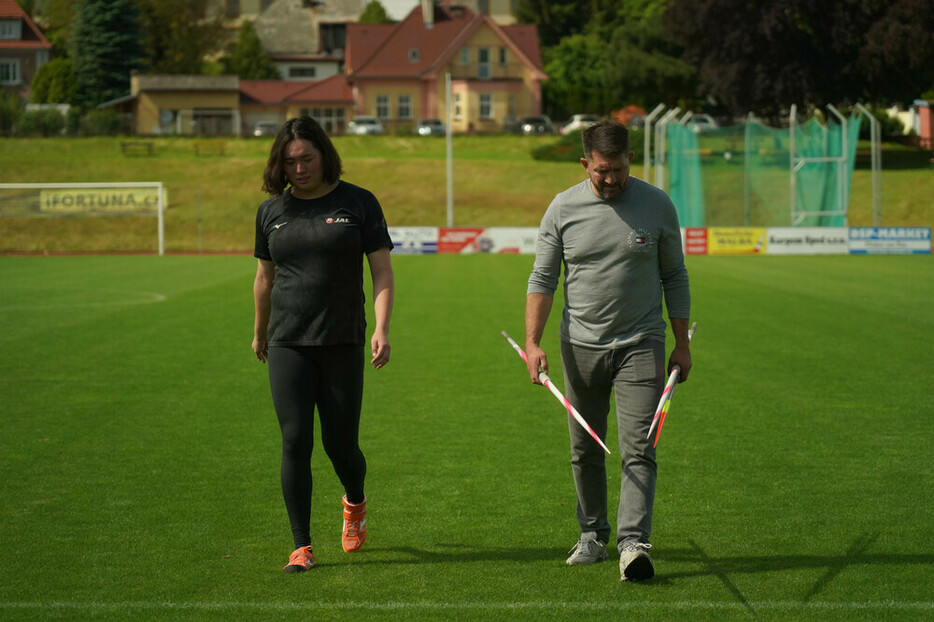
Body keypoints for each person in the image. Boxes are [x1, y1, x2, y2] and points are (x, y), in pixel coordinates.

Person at [524, 121, 691, 582]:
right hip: (580, 346)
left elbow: (674, 275)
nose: (611, 179)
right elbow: (543, 279)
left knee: (640, 444)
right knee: (586, 446)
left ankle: (633, 543)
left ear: (629, 160)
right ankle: (592, 535)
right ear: (585, 164)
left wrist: (681, 344)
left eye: (618, 169)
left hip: (642, 343)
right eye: (601, 171)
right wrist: (533, 343)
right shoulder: (562, 208)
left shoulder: (657, 205)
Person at [252, 116, 395, 573]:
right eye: (289, 161)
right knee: (294, 440)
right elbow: (264, 279)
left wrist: (382, 328)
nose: (298, 168)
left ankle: (354, 502)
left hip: (341, 339)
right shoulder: (271, 212)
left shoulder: (358, 202)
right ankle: (301, 546)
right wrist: (260, 331)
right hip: (288, 341)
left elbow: (382, 273)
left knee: (340, 446)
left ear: (324, 154)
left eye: (307, 159)